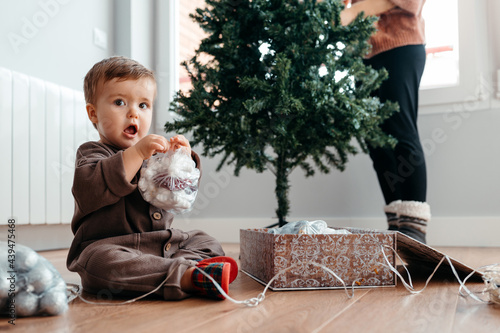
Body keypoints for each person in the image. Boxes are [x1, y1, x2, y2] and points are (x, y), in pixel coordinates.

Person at [66, 56, 238, 300]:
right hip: (113, 247)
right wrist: (135, 153)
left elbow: (179, 196)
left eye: (143, 105)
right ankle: (188, 277)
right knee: (98, 264)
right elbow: (91, 187)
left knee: (206, 241)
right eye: (119, 102)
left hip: (162, 245)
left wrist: (182, 160)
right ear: (93, 113)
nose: (133, 113)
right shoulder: (92, 152)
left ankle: (187, 268)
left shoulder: (154, 157)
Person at [341, 0, 430, 243]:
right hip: (364, 54)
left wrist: (350, 13)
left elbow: (410, 3)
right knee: (377, 143)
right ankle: (396, 224)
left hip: (402, 45)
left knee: (401, 133)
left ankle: (414, 228)